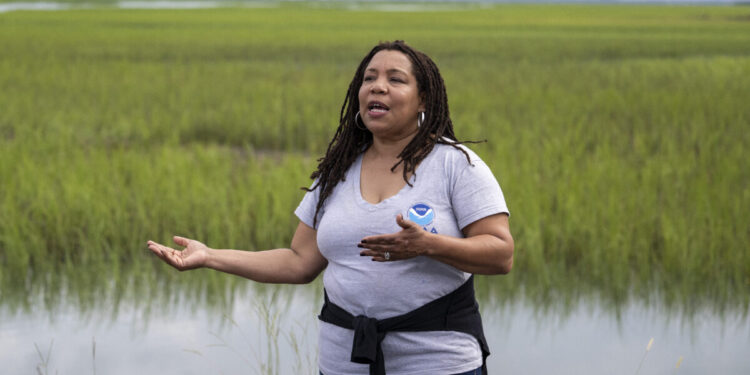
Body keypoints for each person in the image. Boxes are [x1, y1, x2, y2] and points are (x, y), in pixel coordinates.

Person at [147, 40, 513, 375]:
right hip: (343, 362)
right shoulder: (338, 171)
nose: (377, 86)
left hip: (438, 363)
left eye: (395, 79)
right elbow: (299, 261)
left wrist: (429, 245)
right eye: (369, 78)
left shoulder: (455, 164)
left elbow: (501, 254)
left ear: (424, 100)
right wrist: (210, 256)